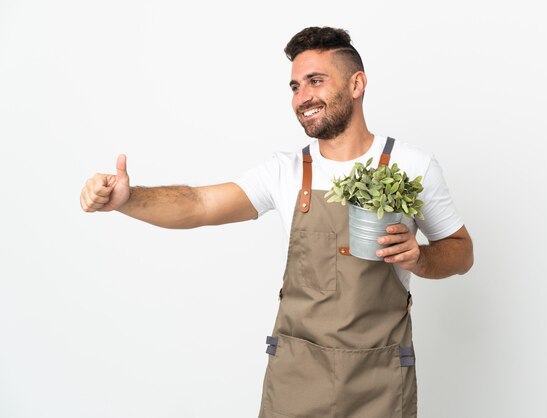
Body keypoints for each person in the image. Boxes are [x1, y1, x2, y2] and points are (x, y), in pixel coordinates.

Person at [80, 26, 473, 418]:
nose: (303, 97)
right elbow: (199, 204)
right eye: (295, 87)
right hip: (297, 378)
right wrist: (128, 200)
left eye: (315, 81)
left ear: (357, 84)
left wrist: (419, 258)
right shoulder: (285, 171)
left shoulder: (411, 165)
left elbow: (461, 251)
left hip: (381, 380)